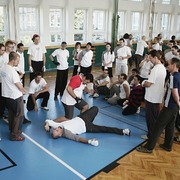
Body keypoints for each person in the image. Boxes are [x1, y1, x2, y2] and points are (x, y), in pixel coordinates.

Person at [136, 57, 180, 153]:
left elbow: (174, 92)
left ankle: (149, 147)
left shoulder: (173, 77)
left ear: (174, 65)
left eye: (169, 64)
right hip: (174, 108)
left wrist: (178, 103)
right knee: (170, 126)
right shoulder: (178, 76)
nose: (167, 66)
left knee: (157, 127)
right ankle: (167, 145)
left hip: (170, 106)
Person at [44, 106, 131, 146]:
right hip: (87, 127)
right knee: (104, 129)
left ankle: (90, 120)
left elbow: (48, 120)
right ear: (60, 135)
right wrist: (89, 141)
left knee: (95, 108)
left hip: (81, 117)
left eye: (54, 130)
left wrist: (47, 125)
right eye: (56, 131)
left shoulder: (57, 125)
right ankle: (123, 131)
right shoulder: (66, 133)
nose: (55, 129)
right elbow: (77, 139)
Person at [0, 52, 26, 141]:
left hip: (7, 95)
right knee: (18, 115)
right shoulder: (12, 71)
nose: (18, 62)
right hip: (15, 96)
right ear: (13, 60)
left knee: (12, 113)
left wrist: (19, 76)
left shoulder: (3, 68)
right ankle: (14, 135)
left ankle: (12, 129)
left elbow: (9, 80)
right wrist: (24, 90)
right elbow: (17, 83)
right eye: (17, 60)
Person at [141, 50, 166, 140]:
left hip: (151, 98)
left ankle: (151, 136)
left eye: (150, 58)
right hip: (157, 97)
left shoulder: (156, 69)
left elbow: (149, 83)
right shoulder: (162, 67)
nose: (149, 60)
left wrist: (143, 82)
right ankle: (154, 134)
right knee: (155, 118)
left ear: (155, 57)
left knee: (150, 118)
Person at [0, 43, 6, 118]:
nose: (3, 52)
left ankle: (1, 112)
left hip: (2, 80)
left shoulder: (2, 57)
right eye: (2, 50)